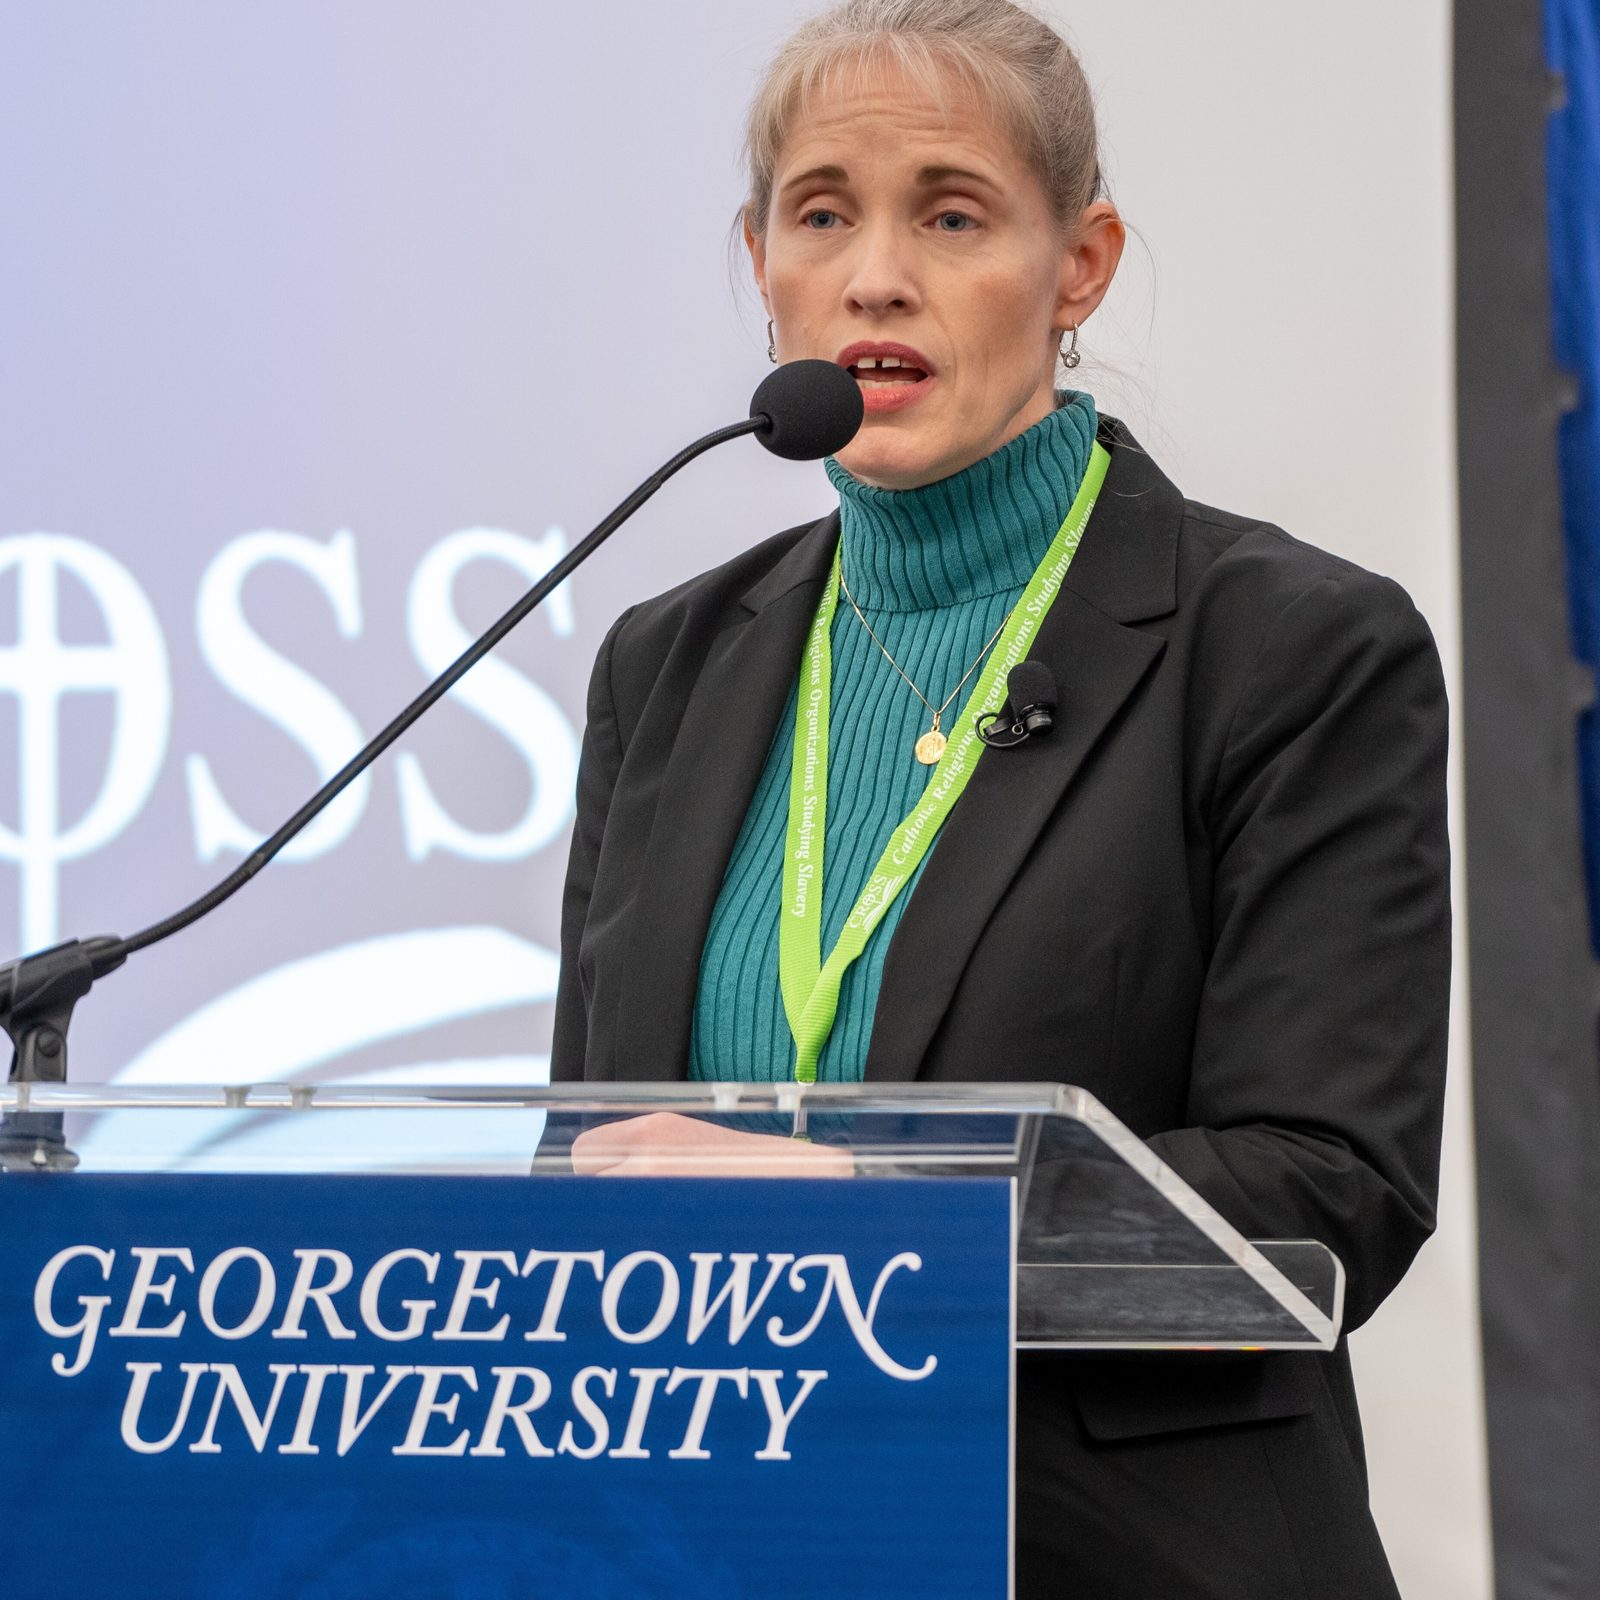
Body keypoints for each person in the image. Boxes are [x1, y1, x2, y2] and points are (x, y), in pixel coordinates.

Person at [550, 1, 1450, 1594]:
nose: (875, 272)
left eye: (950, 214)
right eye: (822, 213)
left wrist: (872, 1205)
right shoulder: (667, 665)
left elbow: (1328, 1199)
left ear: (1080, 265)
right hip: (742, 1548)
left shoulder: (1294, 649)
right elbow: (595, 1161)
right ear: (761, 260)